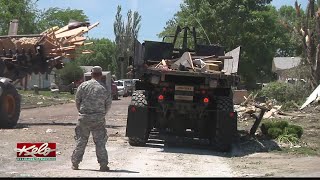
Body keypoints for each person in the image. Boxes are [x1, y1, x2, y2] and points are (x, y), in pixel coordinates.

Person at [71, 66, 112, 171]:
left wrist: (81, 112)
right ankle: (103, 165)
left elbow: (77, 101)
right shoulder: (104, 88)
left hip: (84, 117)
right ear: (101, 74)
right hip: (98, 118)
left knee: (81, 141)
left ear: (91, 74)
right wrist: (102, 114)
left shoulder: (83, 86)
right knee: (100, 142)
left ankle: (75, 164)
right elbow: (108, 104)